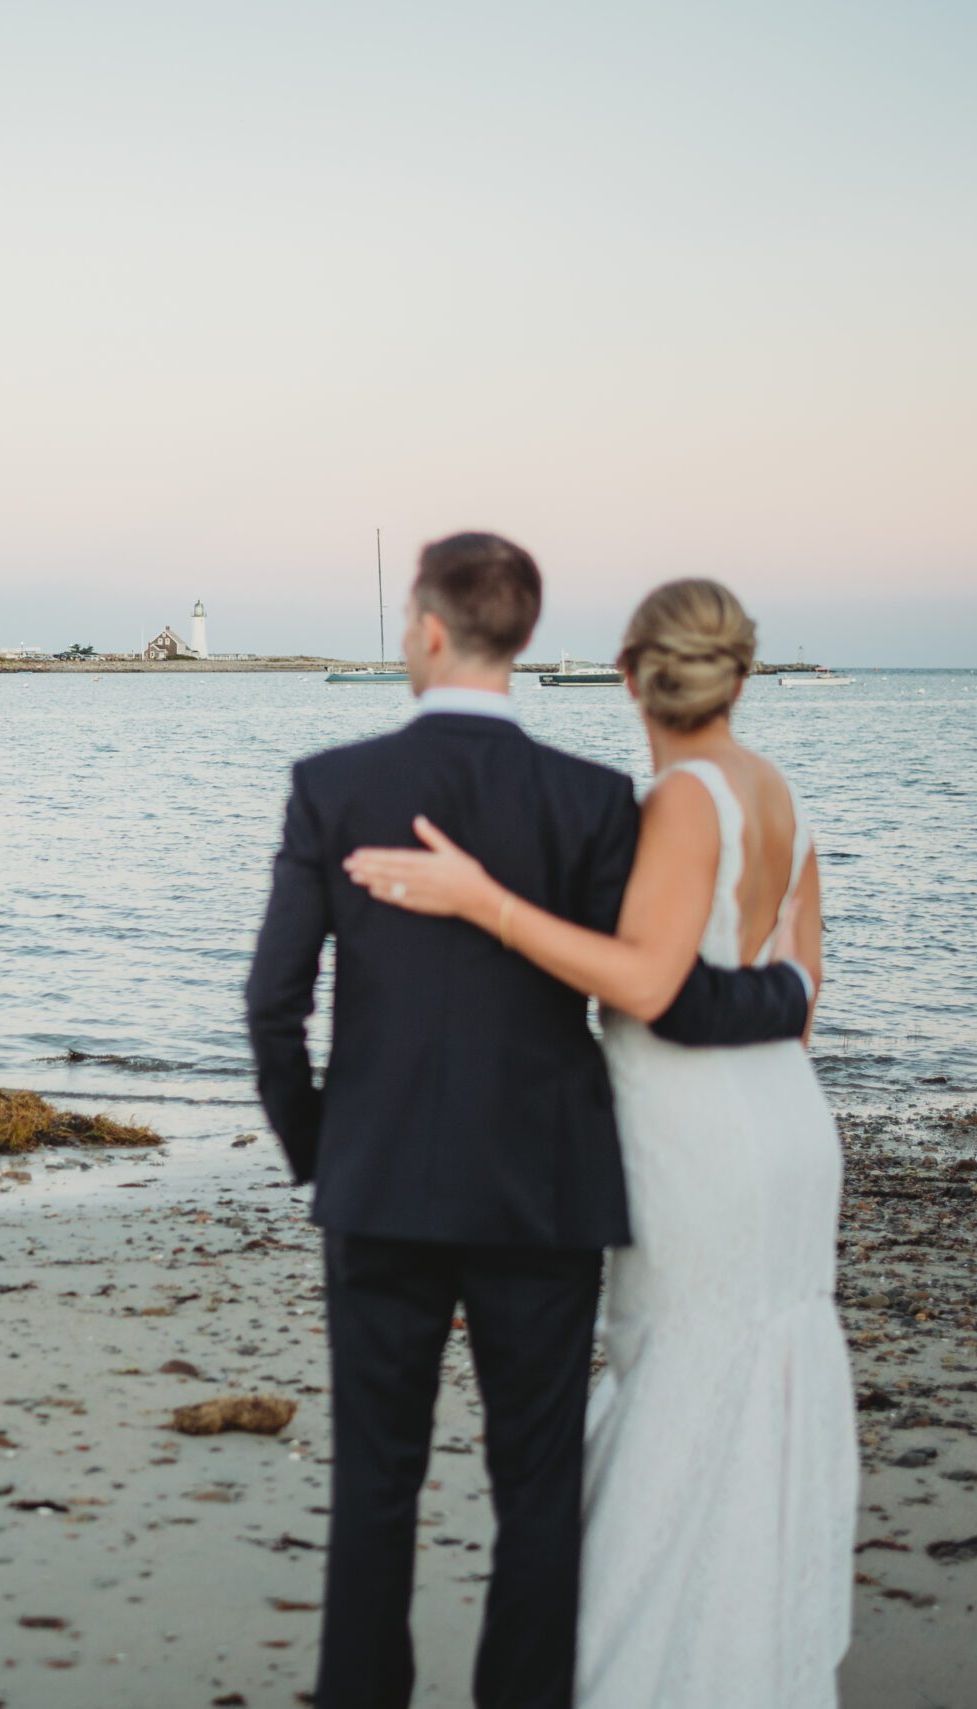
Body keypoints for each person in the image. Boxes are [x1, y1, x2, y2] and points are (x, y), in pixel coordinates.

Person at [243, 534, 813, 1709]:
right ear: (521, 636)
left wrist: (321, 1149)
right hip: (543, 1193)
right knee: (536, 1493)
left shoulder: (332, 781)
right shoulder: (595, 798)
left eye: (408, 620)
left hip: (381, 1186)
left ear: (431, 629)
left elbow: (272, 1003)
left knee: (375, 1491)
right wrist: (788, 991)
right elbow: (658, 988)